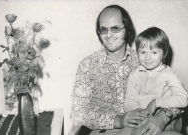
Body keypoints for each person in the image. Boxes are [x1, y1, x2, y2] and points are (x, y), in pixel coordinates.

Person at [69, 5, 184, 135]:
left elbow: (179, 96)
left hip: (149, 125)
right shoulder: (88, 65)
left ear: (127, 29)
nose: (108, 35)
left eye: (115, 29)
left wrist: (162, 117)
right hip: (106, 130)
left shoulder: (146, 59)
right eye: (103, 29)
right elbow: (78, 114)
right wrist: (118, 120)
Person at [124, 27, 188, 134]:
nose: (148, 58)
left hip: (166, 118)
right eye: (143, 52)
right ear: (137, 53)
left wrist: (156, 102)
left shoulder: (168, 74)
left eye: (154, 52)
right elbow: (129, 101)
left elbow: (183, 99)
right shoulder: (134, 75)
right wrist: (139, 112)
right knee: (127, 131)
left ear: (165, 54)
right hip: (142, 115)